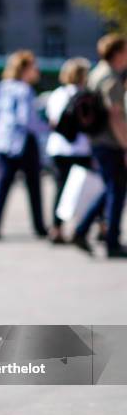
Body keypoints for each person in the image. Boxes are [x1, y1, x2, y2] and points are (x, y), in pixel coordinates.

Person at [0, 50, 48, 239]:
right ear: (25, 69)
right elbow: (27, 120)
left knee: (2, 185)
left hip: (3, 141)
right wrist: (47, 127)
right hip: (24, 141)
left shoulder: (2, 86)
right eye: (34, 67)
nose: (37, 71)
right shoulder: (25, 90)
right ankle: (39, 226)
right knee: (33, 186)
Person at [72, 34, 127, 257]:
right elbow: (115, 116)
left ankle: (82, 230)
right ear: (117, 53)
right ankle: (111, 241)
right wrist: (125, 145)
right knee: (117, 190)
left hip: (98, 141)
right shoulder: (111, 77)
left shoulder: (97, 73)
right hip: (110, 142)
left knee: (111, 189)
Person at [45, 57, 92, 244]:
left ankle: (56, 228)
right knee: (84, 190)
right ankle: (82, 227)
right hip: (81, 148)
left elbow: (52, 121)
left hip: (58, 147)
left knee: (60, 188)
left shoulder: (57, 94)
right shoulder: (87, 95)